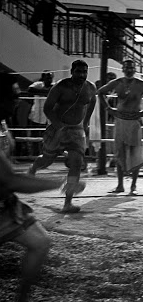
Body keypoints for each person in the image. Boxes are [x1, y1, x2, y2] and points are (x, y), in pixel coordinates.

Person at [0, 72, 81, 302]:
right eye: (12, 96)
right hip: (4, 197)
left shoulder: (2, 122)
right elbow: (11, 179)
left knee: (40, 242)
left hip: (4, 203)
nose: (18, 100)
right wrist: (60, 182)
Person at [27, 60, 96, 213]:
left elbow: (92, 102)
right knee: (46, 159)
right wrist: (59, 126)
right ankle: (33, 169)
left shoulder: (90, 88)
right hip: (58, 127)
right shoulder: (60, 86)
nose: (82, 75)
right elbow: (47, 108)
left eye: (85, 72)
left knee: (76, 161)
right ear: (72, 71)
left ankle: (67, 203)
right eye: (78, 71)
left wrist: (86, 123)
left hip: (77, 129)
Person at [97, 59, 143, 195]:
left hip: (134, 122)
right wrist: (109, 109)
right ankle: (120, 185)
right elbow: (100, 92)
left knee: (135, 153)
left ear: (135, 69)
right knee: (120, 153)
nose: (129, 70)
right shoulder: (117, 83)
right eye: (126, 67)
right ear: (123, 69)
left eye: (131, 68)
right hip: (120, 121)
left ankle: (133, 186)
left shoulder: (141, 84)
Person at [27, 70, 54, 155]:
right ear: (43, 78)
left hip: (48, 116)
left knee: (47, 136)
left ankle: (45, 154)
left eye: (50, 77)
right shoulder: (38, 84)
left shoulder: (54, 86)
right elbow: (30, 90)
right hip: (36, 114)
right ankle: (35, 154)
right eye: (47, 77)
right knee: (35, 135)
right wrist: (46, 92)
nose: (49, 79)